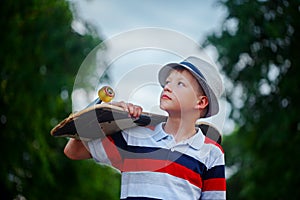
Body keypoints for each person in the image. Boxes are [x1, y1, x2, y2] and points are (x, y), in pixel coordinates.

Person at [64, 56, 226, 199]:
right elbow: (73, 150)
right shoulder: (134, 136)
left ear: (201, 102)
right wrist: (103, 115)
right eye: (167, 82)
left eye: (180, 84)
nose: (167, 87)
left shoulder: (212, 153)